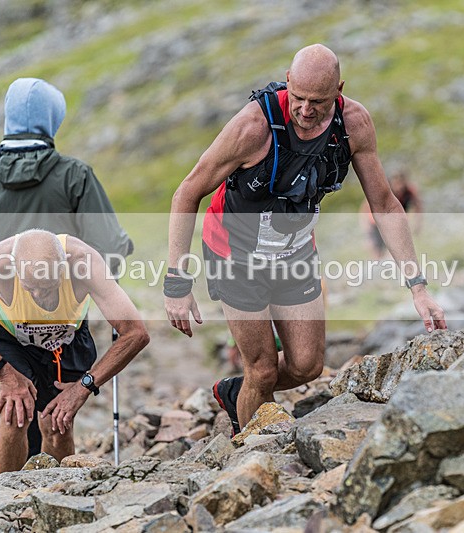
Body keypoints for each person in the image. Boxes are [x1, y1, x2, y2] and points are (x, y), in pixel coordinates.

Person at [163, 44, 446, 436]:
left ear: (339, 89)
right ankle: (251, 456)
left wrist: (418, 287)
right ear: (288, 80)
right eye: (299, 98)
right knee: (261, 370)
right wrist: (177, 281)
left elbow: (384, 203)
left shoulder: (354, 124)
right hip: (234, 254)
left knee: (307, 366)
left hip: (293, 253)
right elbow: (187, 192)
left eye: (319, 101)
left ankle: (236, 394)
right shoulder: (252, 127)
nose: (306, 110)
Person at [0, 77, 133, 473]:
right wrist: (95, 282)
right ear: (53, 120)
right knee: (44, 407)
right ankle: (32, 481)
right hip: (57, 317)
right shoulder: (74, 175)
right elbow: (110, 248)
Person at [0, 230, 149, 473]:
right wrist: (5, 374)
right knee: (16, 409)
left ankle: (58, 494)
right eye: (31, 288)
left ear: (64, 269)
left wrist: (85, 386)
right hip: (8, 332)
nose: (39, 296)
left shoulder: (84, 262)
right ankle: (7, 496)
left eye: (48, 288)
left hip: (66, 333)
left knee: (58, 422)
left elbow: (136, 333)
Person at [362, 168, 423, 260]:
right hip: (375, 221)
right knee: (377, 248)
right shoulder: (384, 189)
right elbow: (366, 207)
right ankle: (377, 264)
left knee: (394, 245)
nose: (399, 187)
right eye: (396, 183)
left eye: (401, 183)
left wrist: (418, 223)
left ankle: (393, 264)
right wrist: (367, 227)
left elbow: (418, 206)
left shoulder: (410, 191)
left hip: (394, 220)